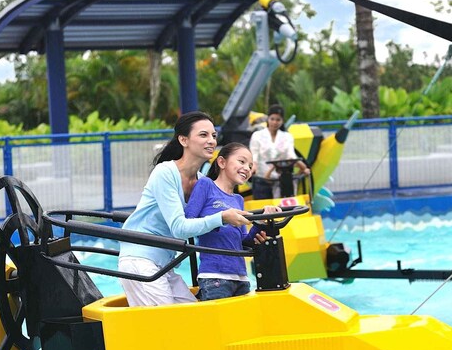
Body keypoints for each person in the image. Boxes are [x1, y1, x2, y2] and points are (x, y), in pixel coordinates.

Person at [117, 111, 251, 307]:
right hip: (140, 259)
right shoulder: (165, 172)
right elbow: (179, 228)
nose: (211, 141)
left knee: (195, 317)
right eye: (203, 135)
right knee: (170, 321)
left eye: (214, 135)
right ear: (183, 140)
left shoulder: (202, 182)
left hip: (166, 265)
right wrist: (222, 217)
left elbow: (207, 226)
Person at [184, 143, 281, 301]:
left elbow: (244, 240)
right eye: (242, 162)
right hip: (214, 277)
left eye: (250, 166)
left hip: (241, 278)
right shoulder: (206, 185)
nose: (247, 168)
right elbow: (188, 221)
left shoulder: (238, 199)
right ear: (222, 162)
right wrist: (221, 218)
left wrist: (261, 222)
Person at [249, 104, 310, 199]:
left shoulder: (287, 137)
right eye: (272, 119)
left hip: (280, 181)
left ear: (282, 121)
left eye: (278, 120)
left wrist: (303, 167)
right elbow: (254, 157)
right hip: (262, 180)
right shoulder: (257, 135)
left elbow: (291, 155)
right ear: (268, 119)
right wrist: (252, 168)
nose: (274, 122)